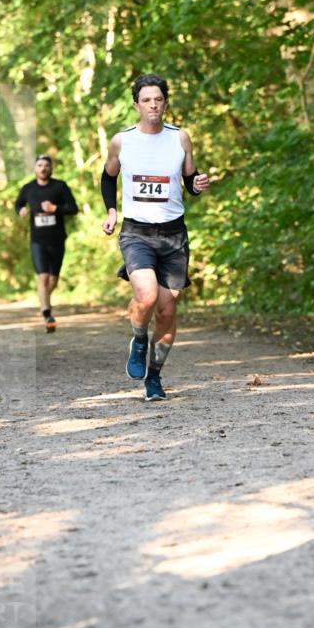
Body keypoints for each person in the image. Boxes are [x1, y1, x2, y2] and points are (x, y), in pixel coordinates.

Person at [101, 74, 209, 400]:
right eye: (146, 100)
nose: (153, 105)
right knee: (146, 296)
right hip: (137, 232)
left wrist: (197, 186)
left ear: (166, 103)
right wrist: (111, 211)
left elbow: (190, 180)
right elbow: (107, 177)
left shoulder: (180, 138)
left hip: (174, 235)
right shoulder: (122, 141)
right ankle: (138, 339)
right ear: (136, 105)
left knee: (167, 311)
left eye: (158, 99)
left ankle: (154, 377)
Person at [15, 155, 78, 332]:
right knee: (42, 277)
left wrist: (55, 209)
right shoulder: (28, 188)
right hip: (37, 240)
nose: (43, 168)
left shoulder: (60, 186)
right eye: (40, 165)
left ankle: (44, 300)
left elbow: (73, 208)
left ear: (51, 168)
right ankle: (47, 313)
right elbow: (18, 203)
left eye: (46, 165)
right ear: (35, 168)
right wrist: (21, 209)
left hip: (57, 239)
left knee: (53, 279)